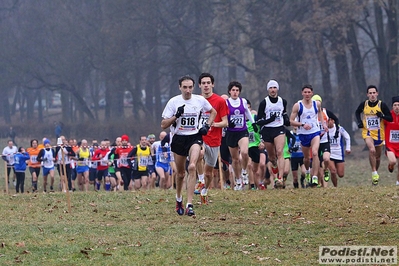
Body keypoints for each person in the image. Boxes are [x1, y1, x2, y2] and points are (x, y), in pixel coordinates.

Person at [161, 75, 216, 216]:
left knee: (192, 167)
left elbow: (213, 112)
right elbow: (163, 125)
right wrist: (176, 116)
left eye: (190, 87)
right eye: (185, 87)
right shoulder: (173, 102)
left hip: (194, 137)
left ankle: (189, 204)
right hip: (179, 138)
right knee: (180, 174)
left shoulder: (199, 100)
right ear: (180, 87)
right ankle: (179, 198)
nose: (188, 90)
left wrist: (207, 126)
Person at [196, 73, 229, 204]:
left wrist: (213, 124)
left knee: (209, 173)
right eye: (203, 83)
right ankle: (200, 180)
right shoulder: (196, 100)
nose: (206, 85)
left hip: (214, 139)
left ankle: (204, 190)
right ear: (199, 85)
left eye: (208, 83)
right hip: (199, 136)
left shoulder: (220, 101)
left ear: (212, 84)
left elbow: (225, 122)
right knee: (198, 153)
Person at [289, 84, 328, 187]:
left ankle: (314, 177)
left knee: (315, 153)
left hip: (315, 132)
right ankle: (307, 171)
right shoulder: (298, 105)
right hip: (303, 134)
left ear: (312, 93)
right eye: (305, 92)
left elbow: (319, 113)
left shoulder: (317, 104)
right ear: (302, 93)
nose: (307, 94)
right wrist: (302, 124)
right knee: (306, 158)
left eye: (309, 92)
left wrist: (323, 124)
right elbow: (291, 121)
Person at [355, 85, 392, 185]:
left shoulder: (382, 105)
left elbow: (390, 118)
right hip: (367, 132)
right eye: (370, 93)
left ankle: (376, 172)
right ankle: (374, 172)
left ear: (377, 93)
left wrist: (382, 116)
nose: (372, 95)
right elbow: (357, 112)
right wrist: (359, 122)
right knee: (372, 150)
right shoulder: (364, 104)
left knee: (378, 157)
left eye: (373, 93)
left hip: (379, 134)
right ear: (367, 94)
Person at [256, 79, 290, 187]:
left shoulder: (282, 101)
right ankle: (274, 167)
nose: (273, 90)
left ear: (277, 89)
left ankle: (279, 178)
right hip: (267, 130)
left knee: (280, 152)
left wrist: (287, 119)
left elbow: (284, 113)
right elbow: (259, 121)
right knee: (271, 157)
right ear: (268, 90)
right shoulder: (264, 103)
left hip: (279, 128)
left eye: (274, 87)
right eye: (270, 88)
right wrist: (270, 119)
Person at [225, 81, 256, 190]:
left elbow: (247, 112)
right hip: (231, 132)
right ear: (229, 91)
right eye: (233, 90)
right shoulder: (226, 103)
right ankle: (238, 180)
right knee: (235, 159)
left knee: (244, 152)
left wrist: (253, 123)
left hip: (242, 131)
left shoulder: (243, 101)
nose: (235, 92)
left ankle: (244, 172)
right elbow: (222, 116)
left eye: (237, 90)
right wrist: (228, 123)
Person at [311, 94, 340, 186]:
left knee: (326, 159)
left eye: (318, 103)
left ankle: (326, 169)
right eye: (314, 103)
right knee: (317, 163)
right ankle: (318, 182)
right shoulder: (310, 113)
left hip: (324, 141)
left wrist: (336, 130)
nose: (316, 104)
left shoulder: (325, 112)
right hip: (315, 141)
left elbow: (336, 119)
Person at [327, 117, 351, 187]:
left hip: (339, 153)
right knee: (333, 171)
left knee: (341, 174)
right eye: (327, 121)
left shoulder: (339, 128)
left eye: (330, 120)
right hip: (329, 153)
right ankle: (335, 187)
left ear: (333, 121)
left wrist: (348, 148)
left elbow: (347, 137)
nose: (328, 122)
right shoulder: (325, 129)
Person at [384, 96, 399, 186]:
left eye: (398, 105)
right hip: (390, 145)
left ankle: (398, 182)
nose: (397, 107)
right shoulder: (388, 116)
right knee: (393, 161)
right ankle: (391, 165)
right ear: (392, 107)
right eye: (395, 105)